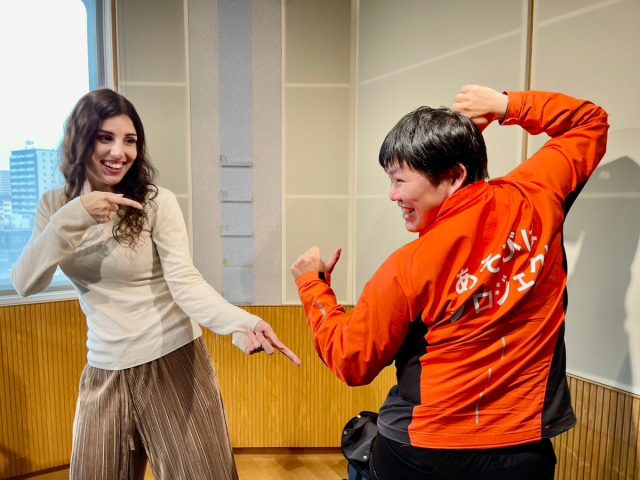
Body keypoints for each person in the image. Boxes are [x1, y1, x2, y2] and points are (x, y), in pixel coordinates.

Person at [291, 85, 608, 479]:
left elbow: (351, 361)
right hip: (524, 451)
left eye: (400, 180)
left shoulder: (408, 267)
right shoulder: (534, 196)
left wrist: (312, 285)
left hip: (424, 453)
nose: (392, 195)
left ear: (455, 175)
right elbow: (590, 122)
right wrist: (506, 105)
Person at [12, 88, 301, 480]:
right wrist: (74, 216)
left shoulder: (155, 202)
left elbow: (185, 282)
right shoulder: (54, 206)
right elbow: (26, 282)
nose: (119, 152)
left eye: (130, 140)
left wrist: (242, 322)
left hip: (172, 361)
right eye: (105, 137)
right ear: (80, 140)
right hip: (104, 369)